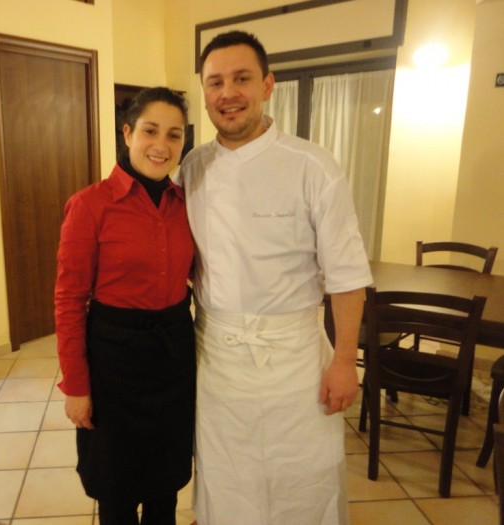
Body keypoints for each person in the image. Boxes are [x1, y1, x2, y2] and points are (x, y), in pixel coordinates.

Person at [180, 31, 373, 524]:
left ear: (267, 85)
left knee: (303, 475)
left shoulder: (313, 165)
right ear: (204, 92)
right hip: (217, 356)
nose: (228, 93)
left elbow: (347, 275)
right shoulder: (192, 167)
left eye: (241, 79)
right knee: (227, 475)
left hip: (296, 358)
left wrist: (345, 360)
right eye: (215, 82)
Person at [54, 87, 195, 525]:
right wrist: (77, 387)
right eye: (150, 131)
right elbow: (68, 300)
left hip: (172, 355)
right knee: (115, 486)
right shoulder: (90, 205)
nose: (161, 145)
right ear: (128, 133)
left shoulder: (186, 203)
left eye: (174, 135)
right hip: (114, 361)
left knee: (165, 484)